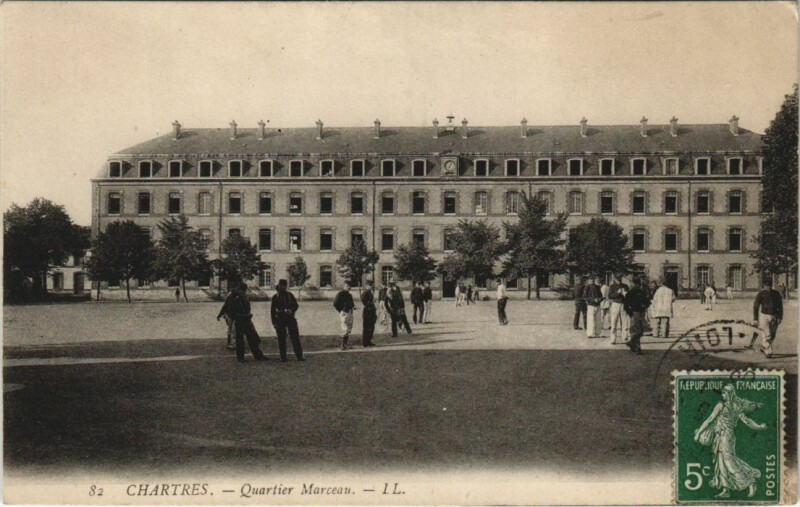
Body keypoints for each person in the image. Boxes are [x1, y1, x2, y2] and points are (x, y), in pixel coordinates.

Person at [694, 384, 766, 498]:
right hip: (722, 436)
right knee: (721, 461)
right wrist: (758, 427)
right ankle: (725, 489)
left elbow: (709, 420)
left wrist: (698, 433)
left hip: (726, 436)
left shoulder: (722, 406)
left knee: (729, 462)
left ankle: (749, 482)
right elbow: (747, 421)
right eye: (722, 392)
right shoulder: (734, 406)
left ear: (729, 394)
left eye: (724, 393)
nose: (722, 395)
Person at [216, 283, 268, 363]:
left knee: (252, 338)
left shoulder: (246, 297)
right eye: (241, 290)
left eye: (244, 290)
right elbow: (227, 307)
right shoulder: (233, 297)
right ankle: (240, 358)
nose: (243, 292)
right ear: (238, 290)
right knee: (240, 340)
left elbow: (248, 308)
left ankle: (258, 356)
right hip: (239, 320)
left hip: (247, 319)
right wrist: (223, 315)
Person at [270, 279, 304, 362]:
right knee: (281, 338)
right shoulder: (275, 297)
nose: (283, 287)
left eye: (284, 286)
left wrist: (291, 310)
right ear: (279, 286)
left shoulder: (289, 295)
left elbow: (295, 305)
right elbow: (272, 311)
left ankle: (299, 356)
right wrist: (274, 322)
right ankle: (283, 357)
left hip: (290, 318)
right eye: (281, 286)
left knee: (295, 337)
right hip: (280, 319)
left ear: (286, 286)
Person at [752, 278, 783, 358]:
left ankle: (765, 346)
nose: (768, 287)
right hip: (764, 316)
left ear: (771, 285)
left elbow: (780, 305)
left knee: (773, 334)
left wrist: (780, 316)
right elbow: (756, 306)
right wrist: (755, 318)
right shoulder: (761, 294)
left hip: (775, 316)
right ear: (763, 286)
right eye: (766, 285)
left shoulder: (776, 294)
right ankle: (768, 351)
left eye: (769, 285)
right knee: (766, 334)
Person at [623, 277, 650, 355]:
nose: (638, 285)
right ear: (634, 284)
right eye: (636, 284)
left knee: (641, 331)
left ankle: (631, 343)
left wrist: (645, 305)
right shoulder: (631, 293)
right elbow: (626, 305)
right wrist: (630, 313)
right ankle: (638, 348)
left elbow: (647, 302)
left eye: (638, 284)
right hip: (635, 313)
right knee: (636, 331)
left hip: (642, 313)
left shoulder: (642, 292)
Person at [333, 281, 356, 350]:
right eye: (347, 286)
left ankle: (345, 344)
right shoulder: (340, 294)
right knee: (344, 328)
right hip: (344, 313)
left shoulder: (349, 295)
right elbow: (335, 304)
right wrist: (341, 311)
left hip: (350, 312)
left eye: (349, 286)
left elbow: (351, 303)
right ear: (344, 286)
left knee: (349, 328)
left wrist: (353, 306)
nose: (349, 287)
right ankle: (342, 345)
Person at [608, 275, 629, 344]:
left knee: (624, 322)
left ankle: (624, 338)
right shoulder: (612, 286)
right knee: (614, 322)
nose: (619, 280)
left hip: (623, 304)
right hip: (615, 304)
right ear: (615, 279)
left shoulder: (625, 286)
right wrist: (617, 292)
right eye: (617, 279)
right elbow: (610, 296)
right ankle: (613, 339)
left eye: (620, 278)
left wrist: (625, 294)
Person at [360, 280, 377, 347]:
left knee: (371, 327)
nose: (371, 286)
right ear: (366, 286)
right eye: (369, 285)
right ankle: (365, 342)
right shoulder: (364, 293)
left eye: (371, 285)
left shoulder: (370, 293)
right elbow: (365, 303)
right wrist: (372, 302)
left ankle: (369, 341)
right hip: (367, 312)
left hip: (372, 312)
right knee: (366, 328)